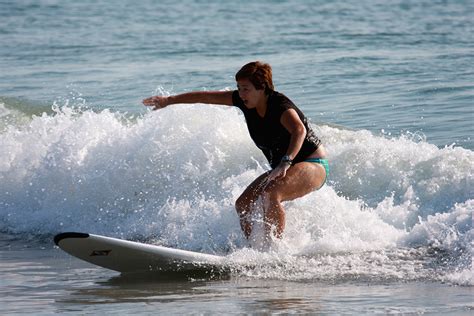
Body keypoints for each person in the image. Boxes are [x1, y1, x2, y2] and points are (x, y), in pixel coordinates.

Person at [143, 61, 328, 241]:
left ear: (262, 87)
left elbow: (299, 130)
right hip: (285, 167)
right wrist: (169, 100)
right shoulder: (244, 101)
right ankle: (253, 248)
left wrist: (286, 161)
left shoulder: (280, 106)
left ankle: (276, 252)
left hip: (313, 164)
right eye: (239, 88)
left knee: (271, 194)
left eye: (246, 88)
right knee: (243, 204)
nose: (241, 93)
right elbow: (205, 97)